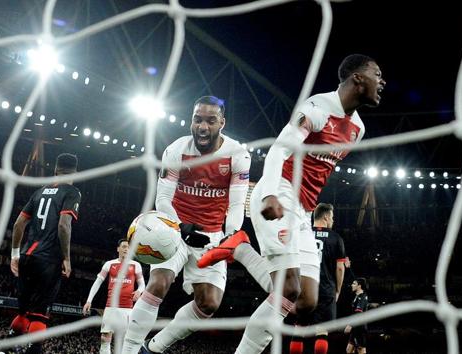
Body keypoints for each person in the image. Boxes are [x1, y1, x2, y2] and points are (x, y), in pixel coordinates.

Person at [213, 54, 386, 353]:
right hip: (278, 194)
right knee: (289, 287)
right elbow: (279, 149)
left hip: (303, 211)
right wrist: (267, 193)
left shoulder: (357, 129)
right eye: (377, 74)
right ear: (358, 78)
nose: (382, 82)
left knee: (305, 300)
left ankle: (240, 249)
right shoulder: (317, 108)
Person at [121, 96, 272, 354]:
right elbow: (163, 199)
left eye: (210, 121)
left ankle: (154, 347)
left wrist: (231, 234)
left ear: (222, 123)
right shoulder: (176, 150)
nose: (203, 126)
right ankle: (129, 350)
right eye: (197, 119)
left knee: (208, 304)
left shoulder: (236, 154)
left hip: (212, 236)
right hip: (174, 229)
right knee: (159, 282)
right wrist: (181, 226)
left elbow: (236, 205)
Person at [9, 153, 81, 354]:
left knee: (23, 312)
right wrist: (66, 258)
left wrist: (15, 253)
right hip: (48, 259)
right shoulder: (73, 192)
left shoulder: (39, 192)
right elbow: (63, 226)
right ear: (75, 172)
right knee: (39, 315)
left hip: (27, 256)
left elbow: (18, 224)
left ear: (55, 170)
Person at [289, 203, 346, 354]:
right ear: (326, 217)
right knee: (322, 330)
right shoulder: (336, 238)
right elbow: (340, 268)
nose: (333, 221)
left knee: (299, 329)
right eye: (332, 217)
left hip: (304, 286)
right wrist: (338, 289)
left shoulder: (303, 234)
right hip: (326, 289)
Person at [83, 239, 146, 354]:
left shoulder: (135, 265)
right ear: (118, 249)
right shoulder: (109, 264)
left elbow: (142, 285)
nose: (126, 249)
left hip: (127, 308)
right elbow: (98, 282)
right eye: (124, 246)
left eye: (128, 247)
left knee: (125, 340)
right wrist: (89, 300)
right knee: (105, 338)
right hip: (111, 306)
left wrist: (139, 291)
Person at [344, 278, 370, 354]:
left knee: (361, 350)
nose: (352, 285)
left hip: (360, 328)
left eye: (354, 284)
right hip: (356, 328)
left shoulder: (362, 297)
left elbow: (358, 312)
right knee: (349, 350)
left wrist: (350, 325)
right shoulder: (356, 297)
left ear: (359, 286)